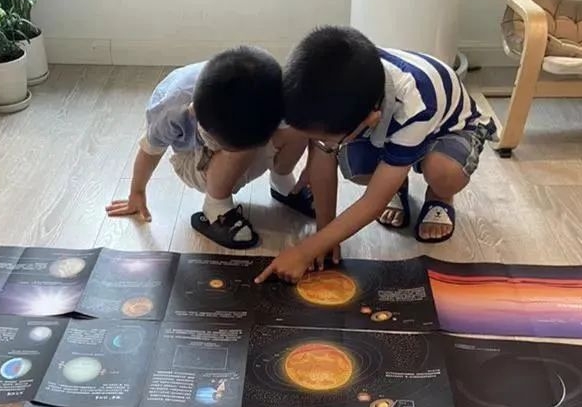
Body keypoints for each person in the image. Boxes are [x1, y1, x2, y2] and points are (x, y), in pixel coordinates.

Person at [256, 26, 496, 284]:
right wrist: (323, 237)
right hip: (392, 126)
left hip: (450, 129)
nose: (321, 145)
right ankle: (396, 181)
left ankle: (439, 196)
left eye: (326, 140)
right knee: (357, 167)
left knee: (443, 172)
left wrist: (305, 251)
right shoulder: (332, 89)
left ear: (370, 120)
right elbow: (323, 154)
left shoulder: (417, 105)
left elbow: (373, 202)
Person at [105, 47, 314, 250]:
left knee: (298, 126)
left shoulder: (270, 89)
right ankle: (216, 208)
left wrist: (310, 166)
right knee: (240, 149)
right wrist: (137, 192)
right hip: (195, 156)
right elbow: (149, 151)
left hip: (239, 131)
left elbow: (311, 124)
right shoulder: (172, 111)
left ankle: (282, 184)